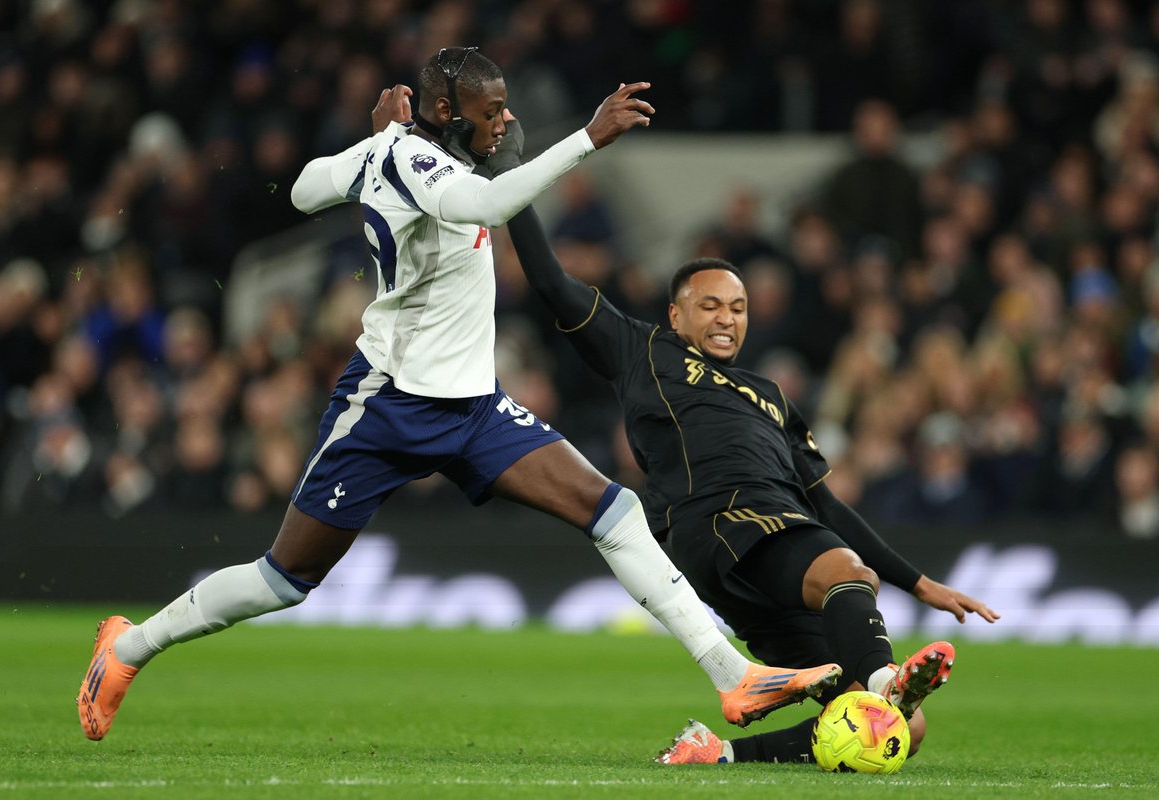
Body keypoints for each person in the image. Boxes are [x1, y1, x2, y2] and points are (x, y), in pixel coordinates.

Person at [77, 51, 842, 742]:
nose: (505, 119)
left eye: (507, 105)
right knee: (283, 580)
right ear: (446, 112)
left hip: (472, 406)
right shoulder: (417, 163)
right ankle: (129, 647)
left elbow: (311, 187)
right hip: (388, 405)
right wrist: (584, 139)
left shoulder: (404, 151)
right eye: (492, 110)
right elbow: (488, 206)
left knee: (614, 512)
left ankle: (732, 677)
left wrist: (365, 147)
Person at [488, 112, 999, 766]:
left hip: (765, 543)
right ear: (676, 315)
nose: (727, 318)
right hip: (722, 521)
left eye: (738, 308)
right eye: (710, 305)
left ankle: (721, 754)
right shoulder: (642, 349)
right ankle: (881, 677)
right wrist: (509, 179)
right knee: (849, 579)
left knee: (898, 728)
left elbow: (827, 506)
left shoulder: (771, 394)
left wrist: (920, 582)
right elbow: (552, 282)